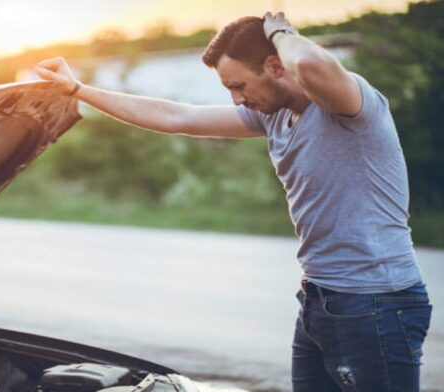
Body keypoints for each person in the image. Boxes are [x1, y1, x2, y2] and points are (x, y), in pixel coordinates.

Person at [35, 12, 432, 392]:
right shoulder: (272, 116)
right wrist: (78, 89)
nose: (238, 100)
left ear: (276, 67)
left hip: (376, 304)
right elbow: (178, 117)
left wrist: (281, 32)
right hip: (319, 300)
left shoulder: (348, 106)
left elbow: (309, 65)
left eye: (239, 86)